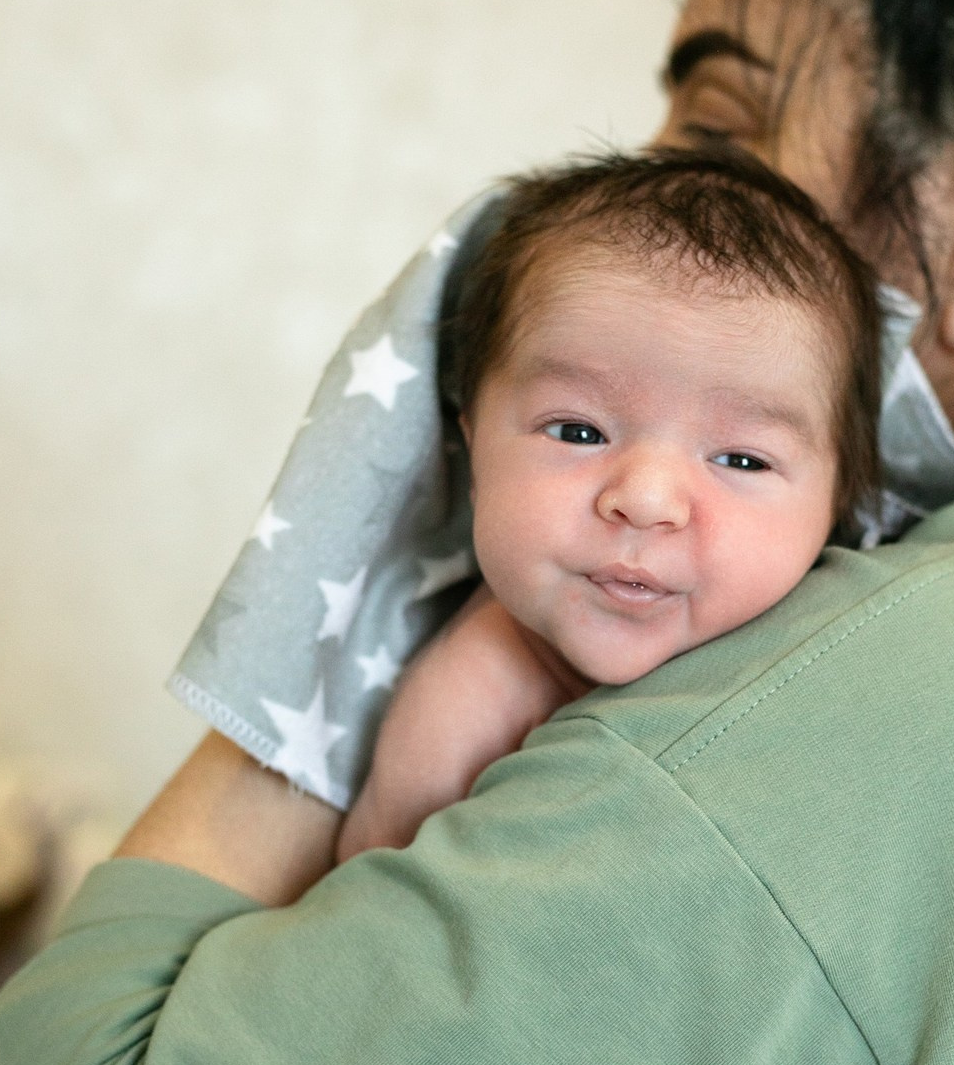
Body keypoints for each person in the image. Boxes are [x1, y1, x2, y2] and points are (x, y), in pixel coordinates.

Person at [0, 0, 954, 1065]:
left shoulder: (736, 742)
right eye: (580, 429)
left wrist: (334, 593)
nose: (643, 194)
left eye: (714, 130)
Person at [339, 149, 882, 857]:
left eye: (743, 459)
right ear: (471, 447)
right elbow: (375, 923)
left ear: (839, 501)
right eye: (578, 431)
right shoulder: (463, 712)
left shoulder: (855, 649)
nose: (646, 501)